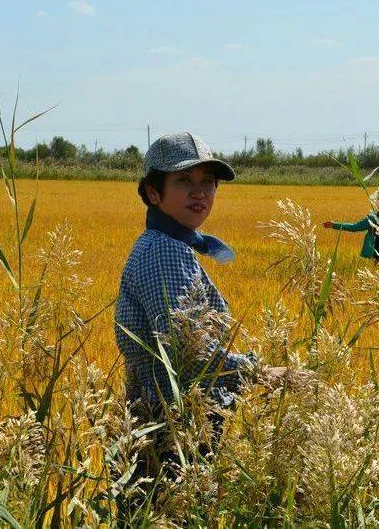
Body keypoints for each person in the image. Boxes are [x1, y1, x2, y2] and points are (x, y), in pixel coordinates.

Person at [114, 131, 286, 518]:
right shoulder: (165, 251)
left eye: (208, 182)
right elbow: (187, 356)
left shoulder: (172, 244)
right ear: (152, 193)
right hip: (172, 430)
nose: (200, 193)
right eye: (184, 182)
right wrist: (260, 372)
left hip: (168, 425)